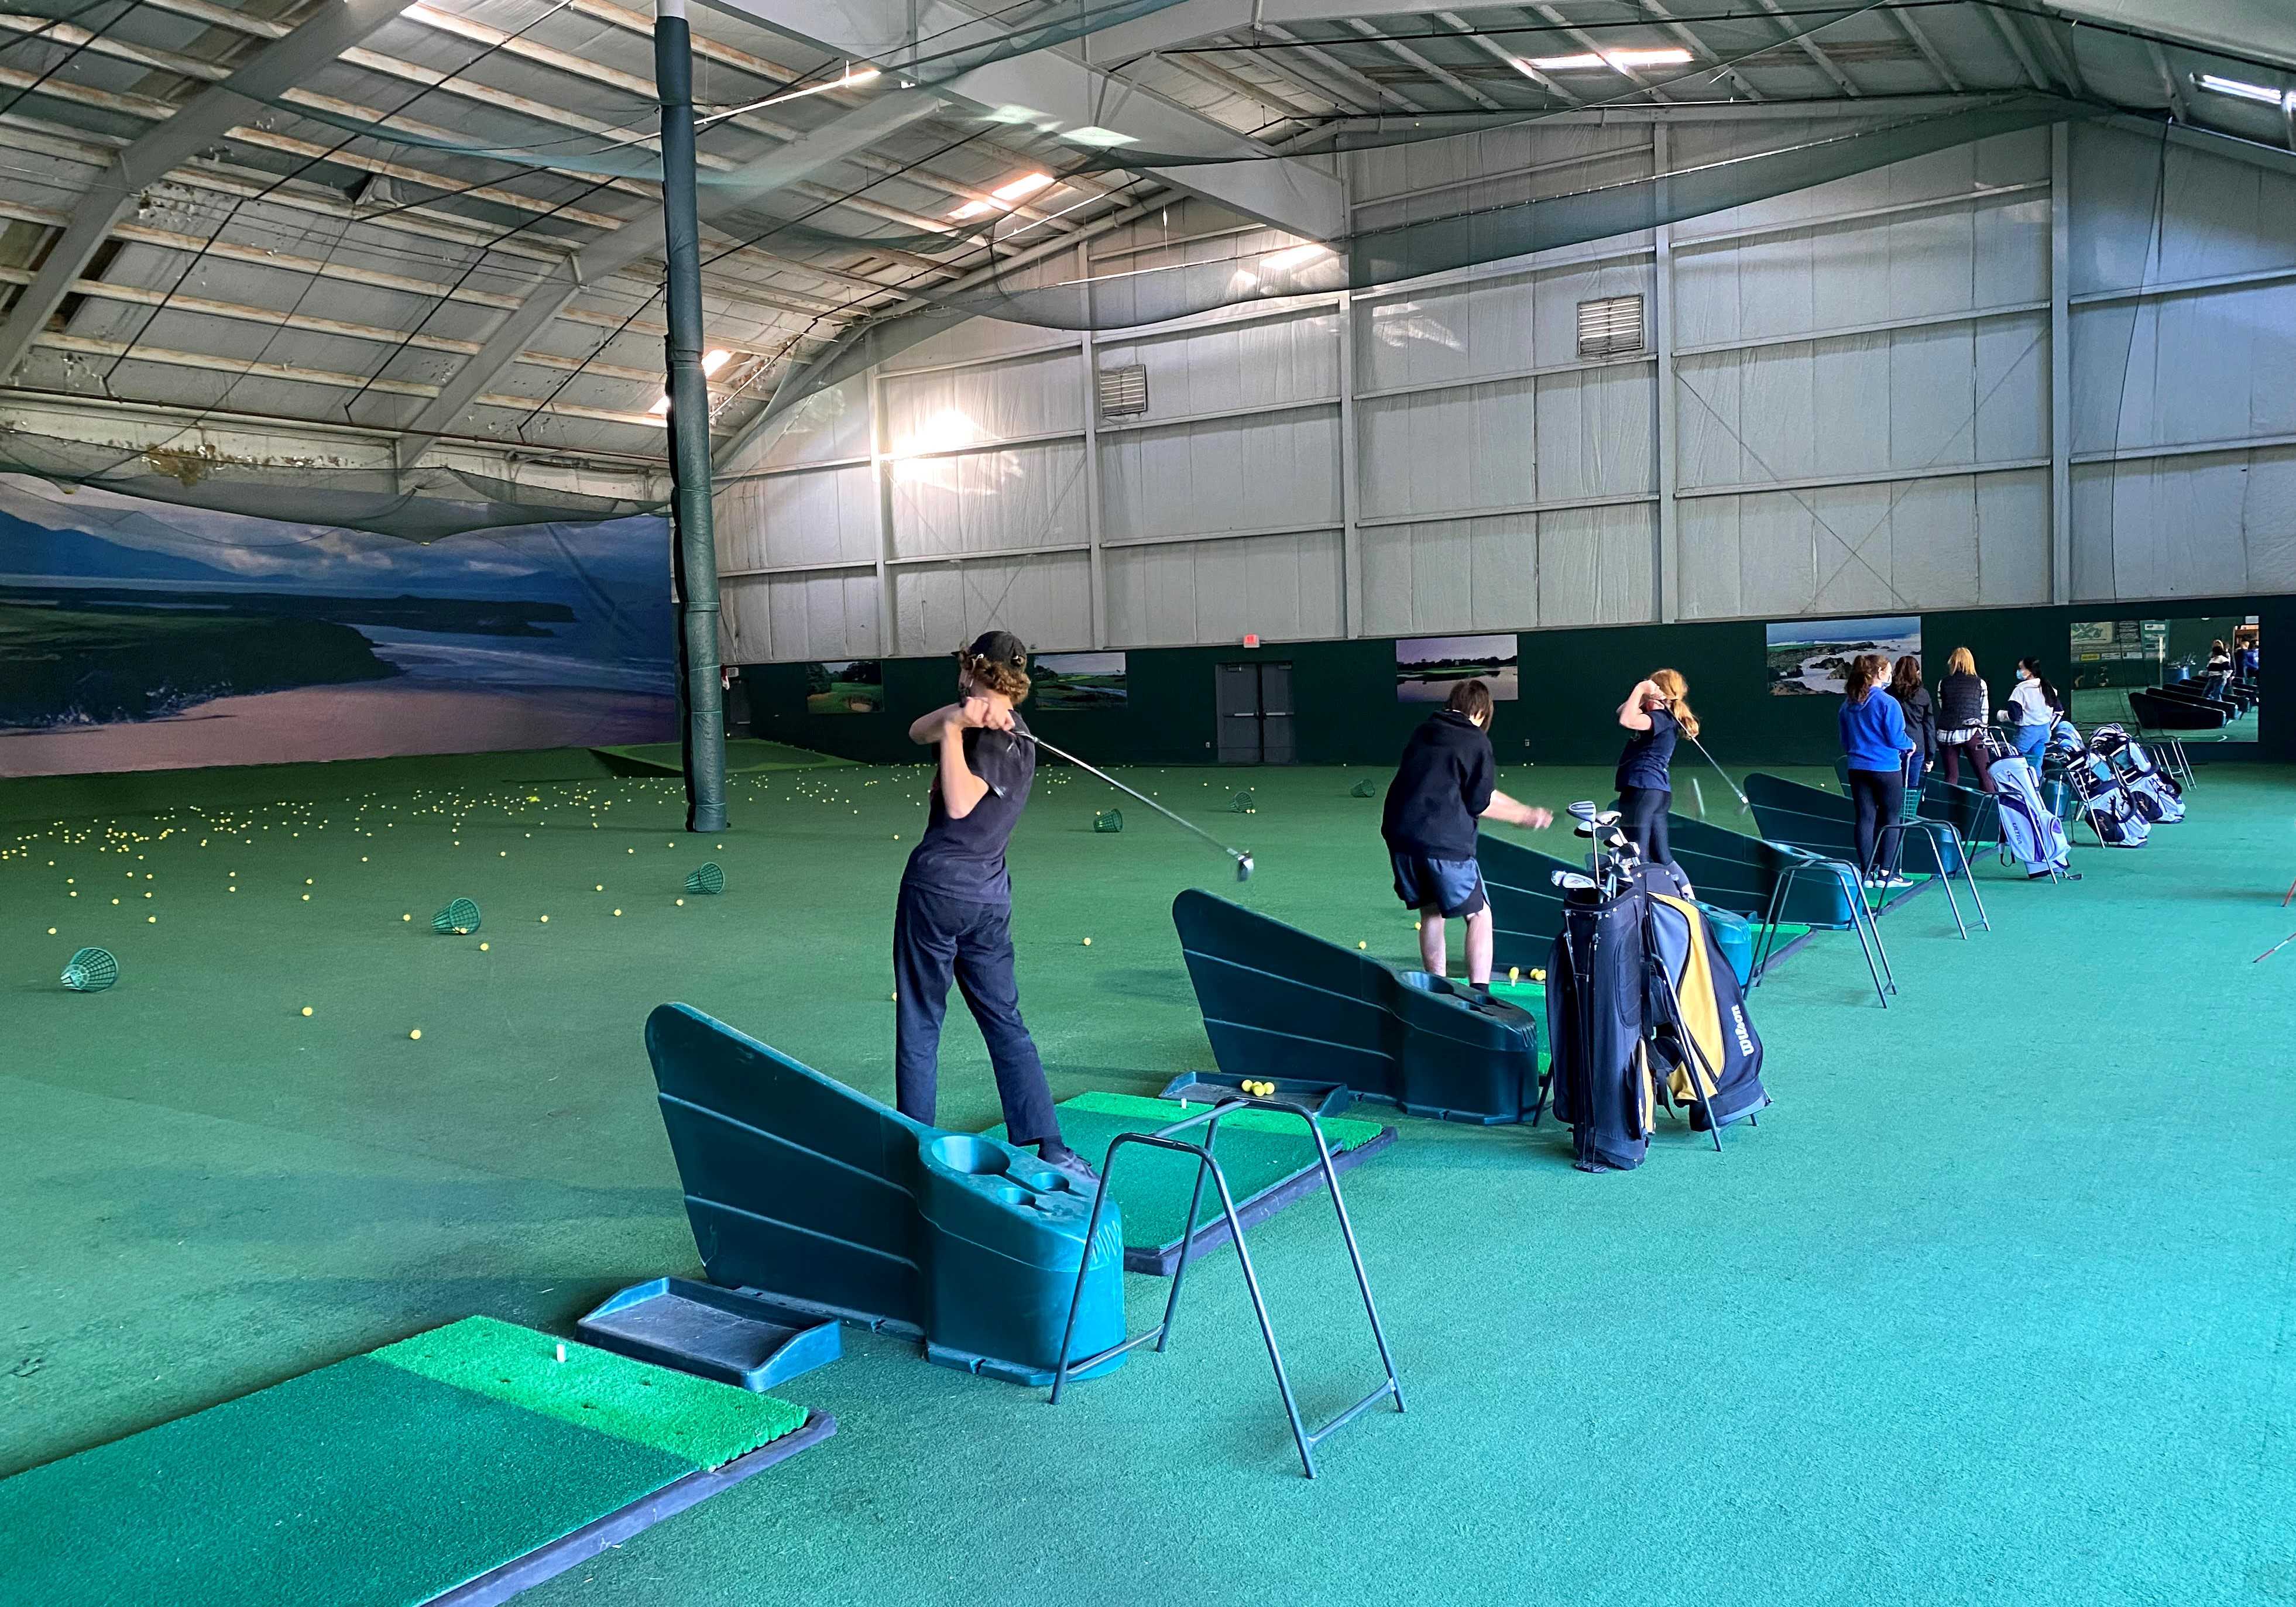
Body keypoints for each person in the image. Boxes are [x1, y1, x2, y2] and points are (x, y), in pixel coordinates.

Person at [894, 630, 1096, 1189]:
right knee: (1006, 1021)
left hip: (938, 891)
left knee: (920, 1024)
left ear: (970, 668)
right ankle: (1045, 1143)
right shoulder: (1012, 730)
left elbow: (959, 804)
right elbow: (916, 730)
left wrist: (959, 728)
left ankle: (916, 1150)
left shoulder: (997, 740)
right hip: (987, 898)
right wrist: (963, 714)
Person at [1382, 679, 1553, 988]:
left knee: (1431, 912)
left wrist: (1523, 810)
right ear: (1484, 712)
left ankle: (1436, 990)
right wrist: (1526, 816)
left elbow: (1477, 791)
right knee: (1479, 915)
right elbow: (1480, 802)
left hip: (1401, 838)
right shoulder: (1475, 741)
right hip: (1442, 843)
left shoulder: (1425, 731)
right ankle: (1479, 995)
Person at [1841, 653, 1916, 887]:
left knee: (1865, 818)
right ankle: (1887, 874)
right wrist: (1911, 745)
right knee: (1891, 818)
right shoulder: (1887, 702)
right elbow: (1896, 738)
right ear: (1880, 673)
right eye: (1889, 670)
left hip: (1857, 768)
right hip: (1886, 769)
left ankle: (1866, 873)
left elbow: (1845, 740)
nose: (1891, 675)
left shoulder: (1848, 704)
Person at [1614, 669, 1697, 875]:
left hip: (1642, 789)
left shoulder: (1660, 718)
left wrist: (1641, 688)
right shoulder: (1664, 718)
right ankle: (1685, 896)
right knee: (1662, 856)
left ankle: (1646, 900)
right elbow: (1622, 710)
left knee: (1636, 855)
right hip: (1657, 793)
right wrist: (1643, 695)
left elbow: (1626, 720)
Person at [1934, 647, 1995, 793]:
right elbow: (1984, 711)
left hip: (1946, 732)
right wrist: (1983, 734)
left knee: (1951, 776)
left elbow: (1943, 706)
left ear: (1952, 662)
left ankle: (1948, 812)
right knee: (1985, 776)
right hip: (1972, 732)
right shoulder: (1980, 683)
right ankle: (1992, 810)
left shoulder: (1943, 683)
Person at [1998, 656, 2060, 777]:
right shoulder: (2049, 688)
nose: (2019, 671)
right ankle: (2036, 790)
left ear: (2030, 671)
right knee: (2036, 765)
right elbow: (2059, 711)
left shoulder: (2021, 690)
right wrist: (2049, 727)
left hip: (2027, 732)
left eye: (2021, 668)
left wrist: (2002, 715)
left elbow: (2015, 716)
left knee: (2012, 760)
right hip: (2045, 732)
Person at [1889, 654, 1935, 812]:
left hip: (1892, 746)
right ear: (1917, 672)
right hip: (1917, 746)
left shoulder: (1888, 694)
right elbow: (1929, 726)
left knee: (1891, 787)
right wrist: (1931, 756)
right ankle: (1907, 819)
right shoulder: (1923, 695)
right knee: (1911, 789)